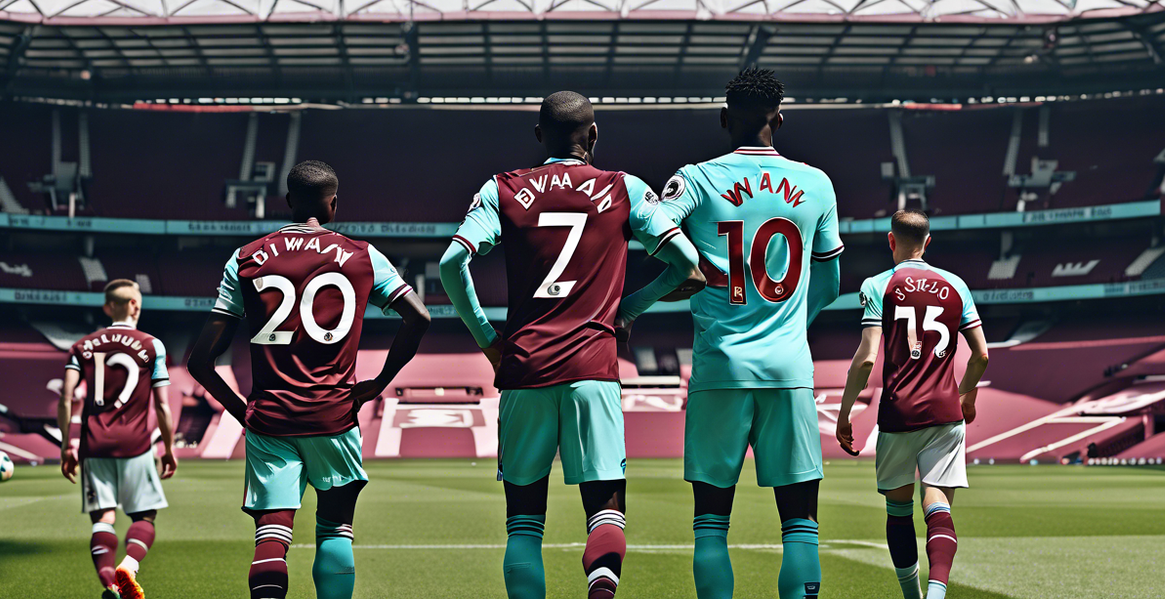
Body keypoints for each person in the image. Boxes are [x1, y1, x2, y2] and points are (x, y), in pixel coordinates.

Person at [438, 90, 699, 599]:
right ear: (594, 135)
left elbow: (452, 263)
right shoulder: (624, 188)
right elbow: (687, 264)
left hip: (524, 368)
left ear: (538, 136)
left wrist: (489, 341)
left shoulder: (503, 189)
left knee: (523, 526)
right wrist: (627, 309)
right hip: (593, 367)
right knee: (604, 512)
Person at [186, 160, 431, 599]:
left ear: (287, 202)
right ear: (333, 204)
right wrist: (378, 382)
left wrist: (243, 412)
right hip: (334, 416)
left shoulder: (245, 258)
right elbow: (419, 317)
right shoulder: (363, 255)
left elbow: (200, 361)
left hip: (271, 419)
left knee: (271, 539)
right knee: (336, 531)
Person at [657, 67, 843, 599]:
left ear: (723, 120)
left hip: (719, 366)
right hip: (788, 369)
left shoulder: (695, 178)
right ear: (779, 120)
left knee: (711, 524)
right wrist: (790, 329)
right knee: (800, 525)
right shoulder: (817, 182)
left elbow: (655, 230)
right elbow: (828, 284)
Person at [835, 209, 990, 599]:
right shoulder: (956, 285)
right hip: (945, 413)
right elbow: (981, 355)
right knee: (938, 506)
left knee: (899, 513)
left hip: (898, 413)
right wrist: (965, 394)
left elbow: (867, 357)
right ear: (928, 242)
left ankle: (913, 598)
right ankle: (936, 597)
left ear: (891, 241)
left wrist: (845, 412)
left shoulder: (877, 285)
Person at [60, 278, 178, 599]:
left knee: (103, 517)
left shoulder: (81, 346)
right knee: (144, 516)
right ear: (135, 305)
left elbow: (67, 397)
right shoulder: (152, 345)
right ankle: (129, 564)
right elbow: (163, 405)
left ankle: (110, 583)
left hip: (94, 444)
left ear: (107, 306)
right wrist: (168, 448)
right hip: (136, 444)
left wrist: (65, 448)